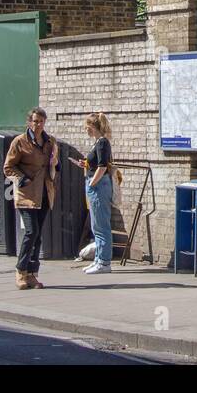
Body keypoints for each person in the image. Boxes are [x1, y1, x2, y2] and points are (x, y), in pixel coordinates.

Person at [4, 108, 58, 290]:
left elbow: (53, 162)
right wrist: (21, 178)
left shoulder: (50, 142)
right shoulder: (20, 142)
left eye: (41, 121)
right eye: (35, 121)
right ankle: (20, 271)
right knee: (31, 232)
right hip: (27, 194)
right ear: (29, 122)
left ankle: (33, 274)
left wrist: (55, 168)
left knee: (38, 236)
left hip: (44, 192)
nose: (38, 125)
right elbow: (8, 167)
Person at [79, 112, 116, 275]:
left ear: (93, 127)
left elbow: (102, 167)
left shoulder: (102, 143)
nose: (86, 130)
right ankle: (98, 259)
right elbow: (96, 164)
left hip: (99, 186)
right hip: (95, 184)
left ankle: (104, 262)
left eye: (87, 127)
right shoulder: (97, 143)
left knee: (102, 226)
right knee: (96, 225)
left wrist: (92, 183)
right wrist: (85, 164)